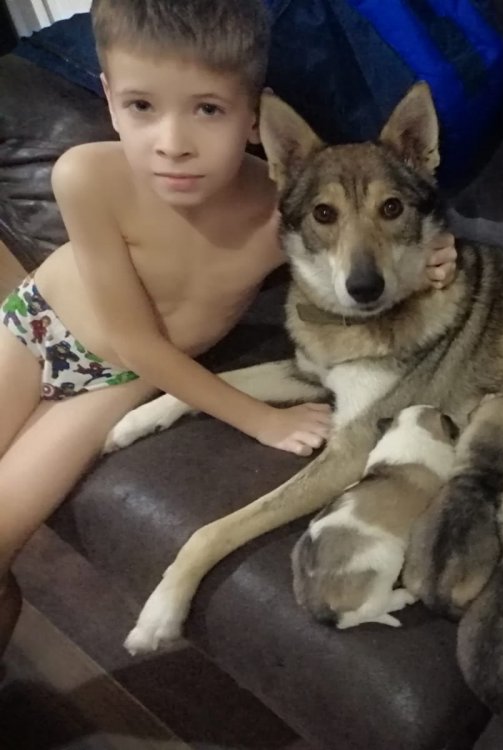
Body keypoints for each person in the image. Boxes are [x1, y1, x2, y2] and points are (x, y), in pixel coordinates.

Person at [0, 0, 458, 662]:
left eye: (207, 109)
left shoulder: (291, 214)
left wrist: (433, 257)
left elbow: (372, 242)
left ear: (252, 121)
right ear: (109, 97)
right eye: (141, 106)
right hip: (35, 326)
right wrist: (260, 419)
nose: (173, 142)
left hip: (119, 382)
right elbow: (135, 339)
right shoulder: (86, 175)